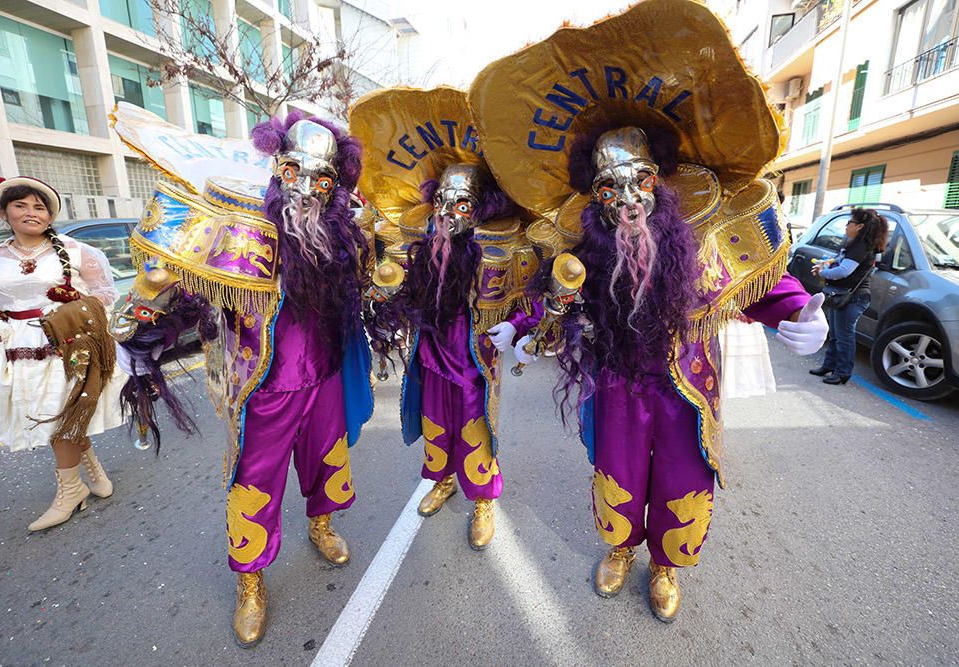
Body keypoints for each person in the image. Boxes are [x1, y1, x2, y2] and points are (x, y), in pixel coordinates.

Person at [467, 0, 829, 622]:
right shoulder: (581, 243)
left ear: (659, 178)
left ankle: (665, 565)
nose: (629, 200)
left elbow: (755, 276)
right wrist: (524, 328)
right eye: (610, 189)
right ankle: (620, 548)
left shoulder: (704, 226)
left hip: (687, 381)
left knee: (683, 476)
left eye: (639, 181)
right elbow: (559, 295)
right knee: (619, 468)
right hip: (618, 382)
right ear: (595, 195)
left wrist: (799, 311)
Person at [112, 112, 374, 648]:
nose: (306, 189)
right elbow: (193, 293)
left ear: (335, 183)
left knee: (328, 457)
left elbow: (368, 287)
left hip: (323, 374)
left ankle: (321, 526)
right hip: (262, 385)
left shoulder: (342, 237)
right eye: (295, 172)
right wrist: (149, 312)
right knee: (254, 480)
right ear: (278, 168)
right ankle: (250, 579)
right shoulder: (240, 230)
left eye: (321, 180)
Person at [351, 87, 541, 550]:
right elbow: (399, 290)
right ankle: (441, 480)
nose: (449, 216)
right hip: (431, 354)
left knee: (475, 426)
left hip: (475, 360)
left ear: (480, 211)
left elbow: (533, 295)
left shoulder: (504, 248)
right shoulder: (423, 247)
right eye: (443, 205)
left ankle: (482, 500)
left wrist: (518, 325)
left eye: (461, 207)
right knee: (436, 423)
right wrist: (384, 297)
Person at [0, 174, 124, 531]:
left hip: (68, 343)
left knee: (58, 416)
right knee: (54, 413)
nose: (31, 212)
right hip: (18, 347)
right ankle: (90, 467)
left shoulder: (77, 250)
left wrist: (69, 311)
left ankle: (71, 490)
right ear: (4, 212)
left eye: (39, 207)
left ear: (50, 216)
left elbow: (106, 293)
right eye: (21, 205)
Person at [809, 207, 889, 384]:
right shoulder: (855, 243)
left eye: (849, 222)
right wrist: (826, 266)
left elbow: (844, 271)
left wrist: (823, 273)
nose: (846, 226)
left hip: (853, 297)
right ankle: (829, 366)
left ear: (859, 226)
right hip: (842, 295)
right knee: (836, 334)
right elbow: (839, 263)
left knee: (844, 336)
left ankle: (842, 373)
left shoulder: (861, 246)